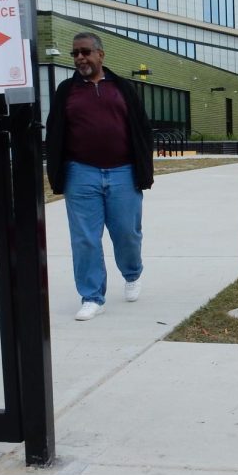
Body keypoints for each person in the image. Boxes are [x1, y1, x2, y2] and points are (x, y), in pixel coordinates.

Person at [45, 32, 154, 321]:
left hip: (123, 173)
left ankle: (132, 273)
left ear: (100, 55)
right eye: (75, 53)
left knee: (127, 233)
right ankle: (92, 296)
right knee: (85, 239)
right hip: (81, 174)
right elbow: (54, 131)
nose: (80, 58)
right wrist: (57, 171)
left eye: (85, 52)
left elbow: (142, 130)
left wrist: (144, 170)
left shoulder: (122, 88)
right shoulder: (66, 91)